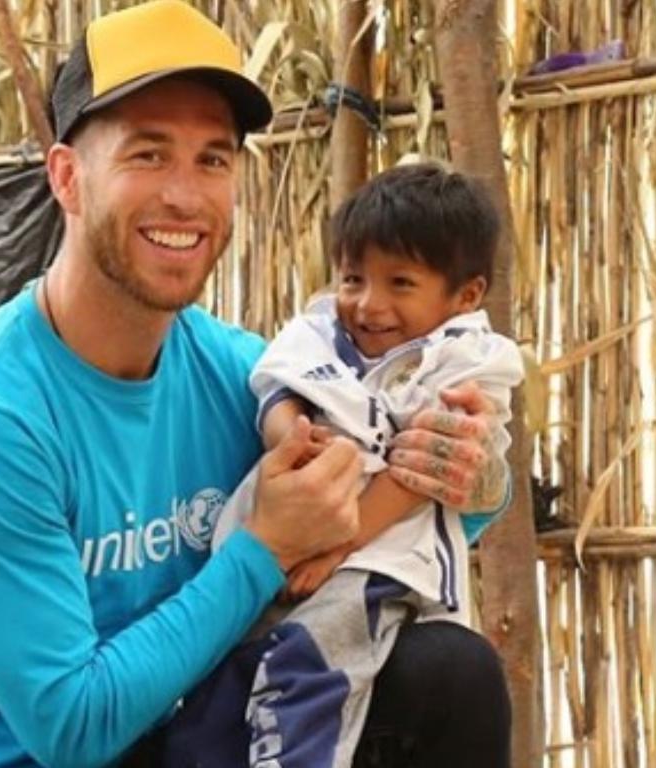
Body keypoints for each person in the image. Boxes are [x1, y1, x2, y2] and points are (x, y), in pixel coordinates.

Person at [0, 2, 511, 766]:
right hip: (51, 751)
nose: (186, 194)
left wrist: (472, 474)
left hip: (166, 740)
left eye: (213, 159)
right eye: (148, 154)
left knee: (447, 674)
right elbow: (72, 730)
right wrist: (263, 549)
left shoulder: (237, 374)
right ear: (68, 178)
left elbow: (405, 511)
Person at [165, 162, 523, 768]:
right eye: (354, 277)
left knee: (313, 670)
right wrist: (297, 440)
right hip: (279, 550)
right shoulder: (319, 331)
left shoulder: (469, 363)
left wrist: (335, 540)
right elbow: (277, 394)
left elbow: (419, 474)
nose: (367, 304)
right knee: (230, 670)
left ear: (465, 296)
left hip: (374, 562)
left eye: (400, 283)